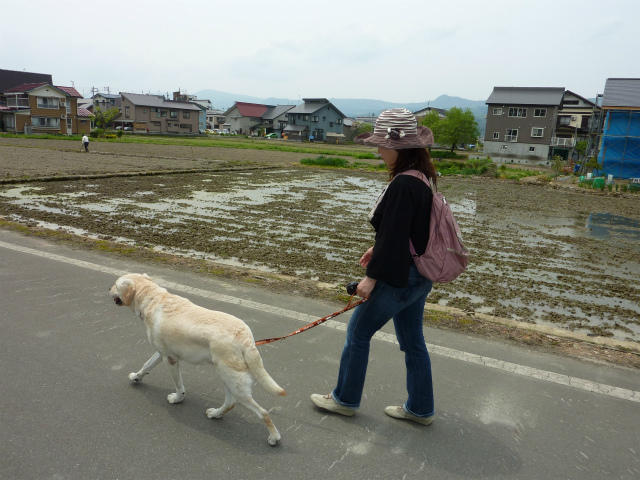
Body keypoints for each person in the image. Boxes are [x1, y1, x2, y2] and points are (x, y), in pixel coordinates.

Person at [311, 108, 438, 426]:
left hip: (400, 277)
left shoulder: (402, 185)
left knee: (358, 332)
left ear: (399, 147)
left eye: (381, 145)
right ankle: (421, 408)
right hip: (420, 275)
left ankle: (344, 399)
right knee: (412, 343)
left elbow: (395, 235)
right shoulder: (424, 179)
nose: (378, 150)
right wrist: (376, 247)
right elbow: (408, 232)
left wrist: (370, 278)